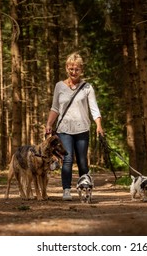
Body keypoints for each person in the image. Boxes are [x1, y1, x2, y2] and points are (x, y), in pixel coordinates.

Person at [45, 52, 104, 201]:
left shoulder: (87, 87)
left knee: (83, 160)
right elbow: (55, 108)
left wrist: (99, 125)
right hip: (64, 129)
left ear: (81, 69)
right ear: (66, 68)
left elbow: (94, 108)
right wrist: (48, 124)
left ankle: (86, 188)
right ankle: (66, 190)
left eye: (77, 69)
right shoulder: (59, 86)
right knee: (67, 159)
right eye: (71, 68)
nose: (74, 72)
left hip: (82, 129)